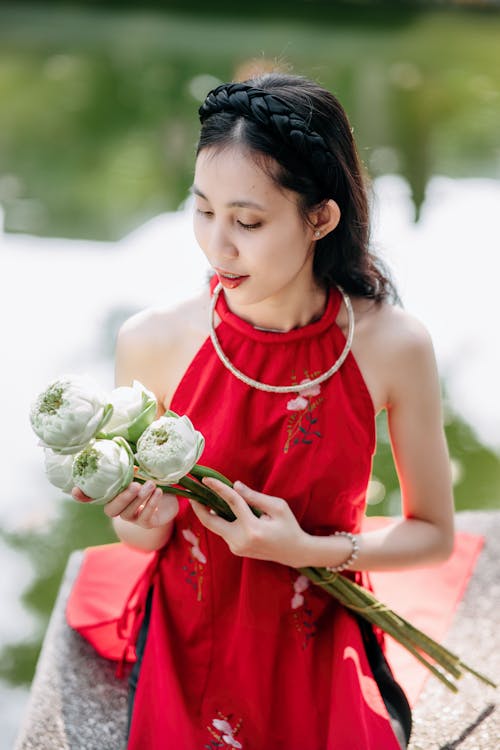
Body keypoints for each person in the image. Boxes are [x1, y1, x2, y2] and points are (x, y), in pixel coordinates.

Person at [73, 73, 454, 749]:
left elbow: (433, 534)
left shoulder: (392, 345)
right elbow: (140, 541)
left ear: (320, 218)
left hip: (319, 634)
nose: (218, 246)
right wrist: (145, 519)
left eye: (247, 221)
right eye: (202, 210)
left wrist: (304, 549)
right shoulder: (153, 341)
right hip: (191, 638)